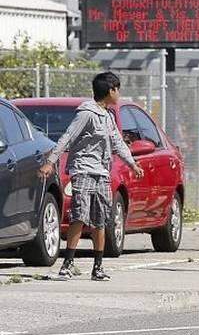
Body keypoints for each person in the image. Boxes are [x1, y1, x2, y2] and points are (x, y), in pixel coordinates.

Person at [39, 72, 144, 281]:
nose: (119, 94)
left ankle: (98, 267)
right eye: (117, 90)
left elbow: (117, 143)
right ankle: (67, 264)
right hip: (83, 170)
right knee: (80, 216)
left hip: (102, 173)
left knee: (100, 220)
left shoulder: (108, 116)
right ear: (110, 91)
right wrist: (50, 161)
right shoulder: (86, 113)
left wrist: (132, 164)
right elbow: (68, 136)